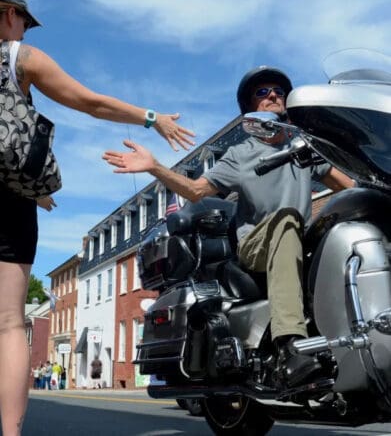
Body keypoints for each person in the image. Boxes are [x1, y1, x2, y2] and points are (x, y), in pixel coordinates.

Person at [0, 0, 195, 436]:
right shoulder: (16, 57)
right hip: (7, 203)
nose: (24, 31)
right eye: (24, 22)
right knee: (10, 323)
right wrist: (152, 118)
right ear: (9, 13)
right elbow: (90, 102)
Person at [103, 65, 354, 388]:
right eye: (262, 92)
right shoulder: (240, 154)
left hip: (297, 239)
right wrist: (154, 167)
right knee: (287, 219)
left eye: (279, 90)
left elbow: (348, 187)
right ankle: (289, 347)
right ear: (251, 108)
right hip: (255, 244)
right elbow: (196, 191)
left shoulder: (303, 147)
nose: (273, 95)